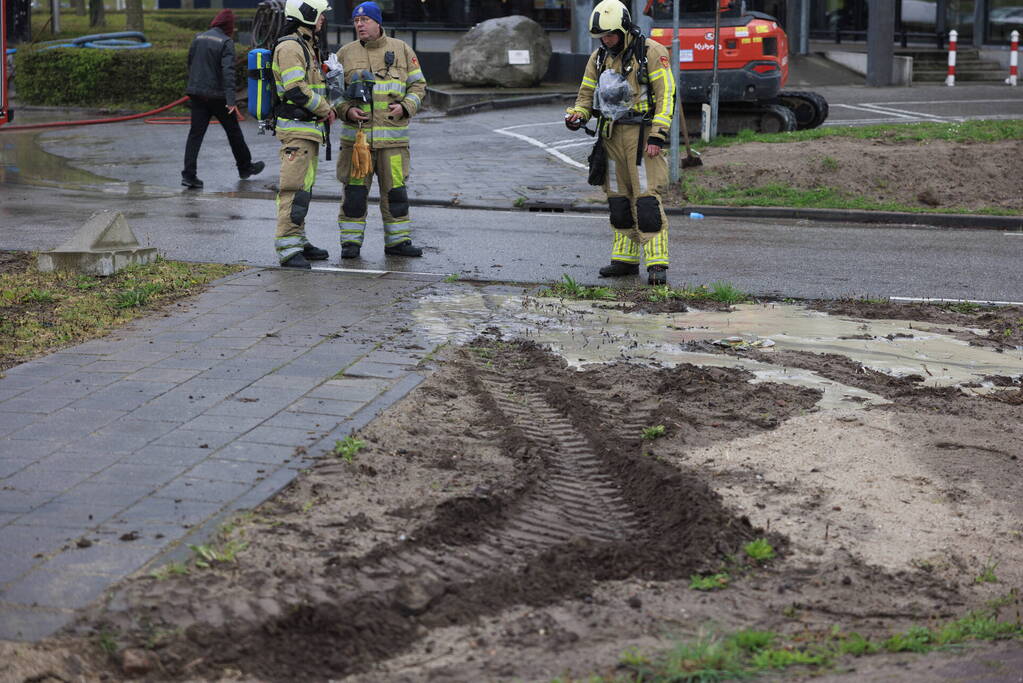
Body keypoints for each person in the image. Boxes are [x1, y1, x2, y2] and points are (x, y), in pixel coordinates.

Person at [565, 0, 676, 285]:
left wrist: (658, 134)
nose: (606, 40)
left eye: (611, 35)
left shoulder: (652, 52)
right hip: (610, 136)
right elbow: (586, 95)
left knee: (646, 200)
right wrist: (578, 114)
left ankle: (657, 263)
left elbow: (666, 96)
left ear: (624, 28)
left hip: (642, 136)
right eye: (602, 36)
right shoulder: (599, 57)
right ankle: (625, 260)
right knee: (618, 201)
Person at [335, 1, 428, 259]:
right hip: (357, 143)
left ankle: (398, 242)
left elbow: (419, 86)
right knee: (354, 194)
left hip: (394, 144)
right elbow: (333, 93)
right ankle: (350, 244)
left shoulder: (401, 50)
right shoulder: (345, 54)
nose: (359, 25)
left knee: (396, 193)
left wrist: (406, 107)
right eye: (356, 21)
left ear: (377, 22)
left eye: (364, 20)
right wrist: (346, 111)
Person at [271, 0, 336, 268]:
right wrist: (325, 109)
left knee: (303, 190)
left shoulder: (306, 44)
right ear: (307, 14)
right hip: (297, 132)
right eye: (320, 14)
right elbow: (295, 89)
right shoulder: (290, 47)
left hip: (308, 132)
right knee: (292, 189)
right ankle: (288, 248)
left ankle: (298, 238)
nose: (323, 19)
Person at [182, 9, 265, 190]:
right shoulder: (226, 42)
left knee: (195, 135)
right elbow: (228, 73)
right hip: (218, 97)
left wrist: (195, 87)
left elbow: (190, 63)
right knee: (233, 131)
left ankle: (189, 175)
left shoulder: (199, 38)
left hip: (197, 94)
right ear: (228, 26)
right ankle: (245, 167)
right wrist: (231, 101)